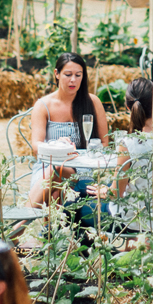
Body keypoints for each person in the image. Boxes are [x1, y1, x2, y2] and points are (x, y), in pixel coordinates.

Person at [83, 78, 153, 232]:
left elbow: (115, 194)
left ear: (127, 108)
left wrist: (104, 191)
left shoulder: (128, 143)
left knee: (75, 204)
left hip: (132, 221)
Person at [28, 52, 109, 208]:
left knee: (58, 181)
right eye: (68, 74)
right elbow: (36, 147)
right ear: (56, 74)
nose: (73, 80)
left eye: (78, 75)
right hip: (48, 168)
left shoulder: (92, 102)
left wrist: (90, 152)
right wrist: (56, 145)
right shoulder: (43, 105)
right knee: (57, 178)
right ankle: (51, 231)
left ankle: (25, 228)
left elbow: (104, 142)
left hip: (84, 170)